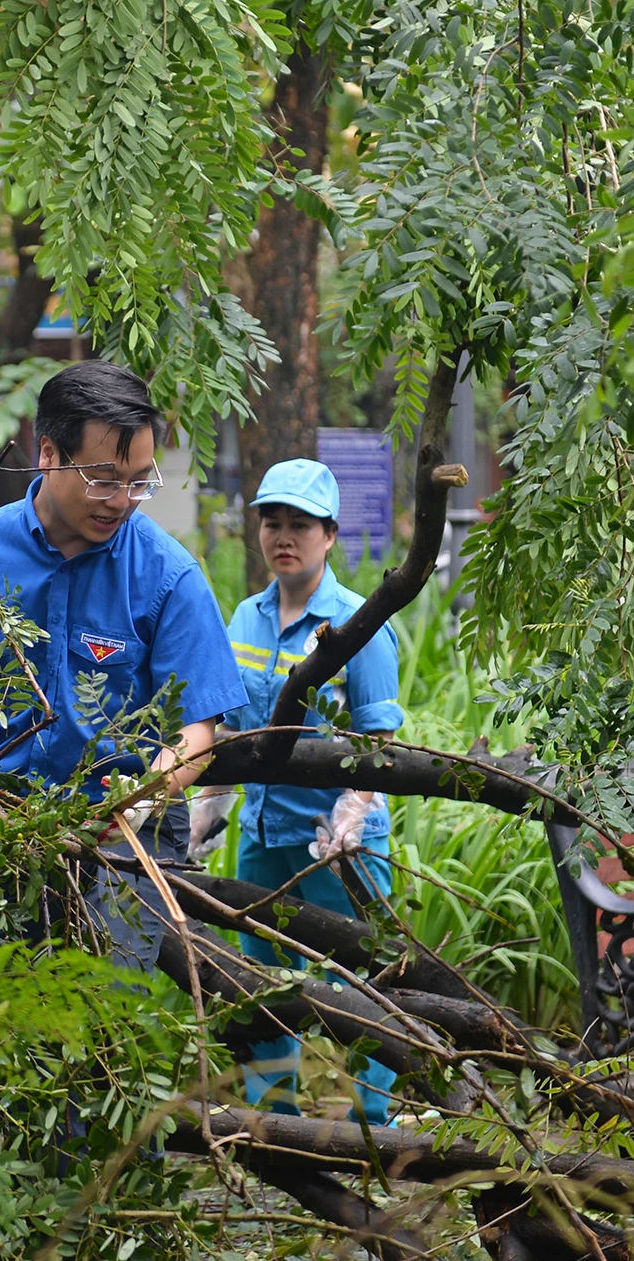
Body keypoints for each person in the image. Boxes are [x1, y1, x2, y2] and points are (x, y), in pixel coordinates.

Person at [0, 360, 245, 970]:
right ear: (48, 453)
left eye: (138, 482)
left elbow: (196, 733)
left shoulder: (168, 576)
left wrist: (137, 800)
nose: (122, 501)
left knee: (97, 1015)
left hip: (124, 829)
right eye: (103, 479)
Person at [188, 459, 406, 1125]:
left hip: (335, 847)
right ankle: (274, 1122)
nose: (284, 537)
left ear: (331, 535)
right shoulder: (245, 619)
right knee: (259, 984)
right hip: (263, 838)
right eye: (272, 523)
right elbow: (225, 733)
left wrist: (349, 818)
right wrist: (202, 827)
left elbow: (380, 741)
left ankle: (377, 1123)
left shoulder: (357, 625)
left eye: (300, 525)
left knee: (359, 983)